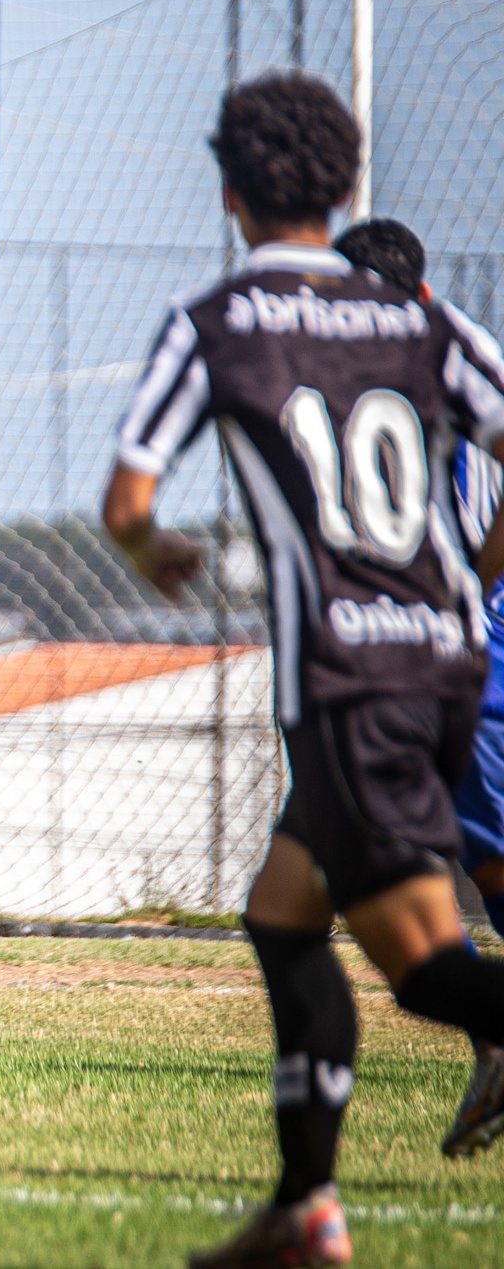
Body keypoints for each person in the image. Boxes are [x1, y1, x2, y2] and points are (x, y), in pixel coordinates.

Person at [106, 74, 504, 1267]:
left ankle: (305, 1212)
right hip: (440, 664)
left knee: (428, 971)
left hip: (342, 680)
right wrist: (467, 579)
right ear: (342, 187)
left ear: (228, 191)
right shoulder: (418, 318)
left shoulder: (216, 318)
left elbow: (127, 496)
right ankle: (304, 1209)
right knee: (282, 916)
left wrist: (156, 550)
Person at [334, 216, 504, 1157]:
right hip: (408, 648)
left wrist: (475, 584)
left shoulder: (446, 356)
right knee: (368, 863)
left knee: (476, 853)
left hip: (463, 641)